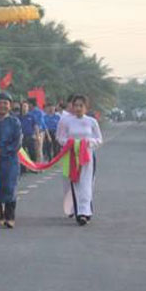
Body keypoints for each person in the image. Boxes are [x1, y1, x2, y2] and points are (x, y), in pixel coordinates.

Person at [56, 94, 103, 225]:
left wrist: (88, 142)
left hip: (87, 155)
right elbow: (60, 137)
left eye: (81, 106)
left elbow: (99, 139)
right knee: (75, 183)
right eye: (75, 105)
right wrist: (70, 142)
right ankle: (79, 212)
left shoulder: (91, 121)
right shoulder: (65, 121)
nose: (78, 108)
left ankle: (85, 211)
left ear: (86, 107)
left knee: (87, 183)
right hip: (71, 156)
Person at [0, 92, 23, 228]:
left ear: (10, 105)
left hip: (9, 160)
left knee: (9, 187)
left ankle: (9, 216)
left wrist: (2, 151)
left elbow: (17, 142)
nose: (2, 106)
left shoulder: (14, 122)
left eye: (5, 103)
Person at [16, 100, 39, 170]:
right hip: (21, 137)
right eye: (23, 106)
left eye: (26, 106)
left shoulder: (32, 116)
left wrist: (37, 136)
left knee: (32, 152)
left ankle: (33, 167)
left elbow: (35, 126)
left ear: (28, 108)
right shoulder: (17, 117)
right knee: (22, 154)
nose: (24, 108)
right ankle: (23, 168)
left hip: (30, 136)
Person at [28, 97, 47, 163]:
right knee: (34, 150)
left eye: (28, 103)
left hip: (39, 132)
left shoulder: (38, 112)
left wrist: (38, 134)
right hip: (31, 133)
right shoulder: (28, 112)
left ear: (32, 104)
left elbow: (41, 124)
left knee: (38, 149)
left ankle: (40, 165)